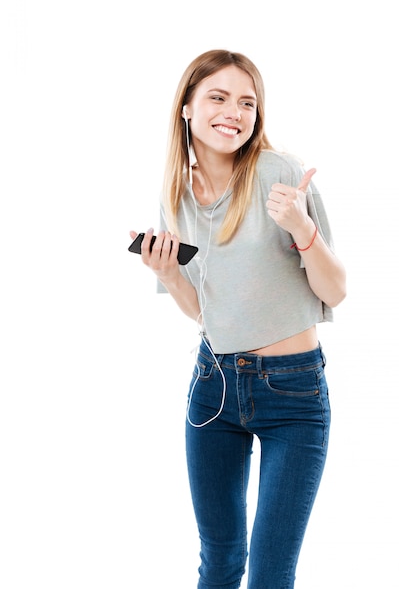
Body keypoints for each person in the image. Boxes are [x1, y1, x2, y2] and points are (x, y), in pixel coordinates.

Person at [129, 49, 346, 589]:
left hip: (292, 393)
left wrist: (301, 226)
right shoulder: (175, 192)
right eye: (218, 98)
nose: (234, 112)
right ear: (187, 107)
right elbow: (208, 313)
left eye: (247, 102)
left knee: (270, 574)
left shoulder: (282, 173)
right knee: (220, 561)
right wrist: (172, 275)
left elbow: (335, 291)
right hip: (214, 385)